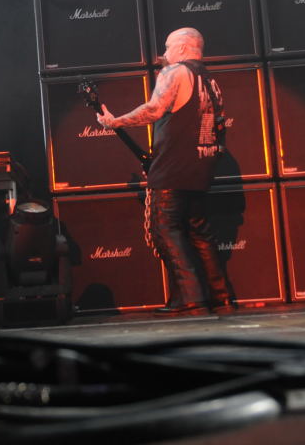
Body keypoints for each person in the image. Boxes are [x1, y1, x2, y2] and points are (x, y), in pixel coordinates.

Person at [96, 27, 234, 315]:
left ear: (182, 48)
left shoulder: (176, 72)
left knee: (164, 230)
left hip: (172, 169)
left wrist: (115, 122)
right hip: (201, 168)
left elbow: (154, 109)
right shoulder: (210, 80)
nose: (164, 53)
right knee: (199, 233)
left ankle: (191, 298)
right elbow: (219, 127)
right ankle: (220, 296)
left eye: (168, 47)